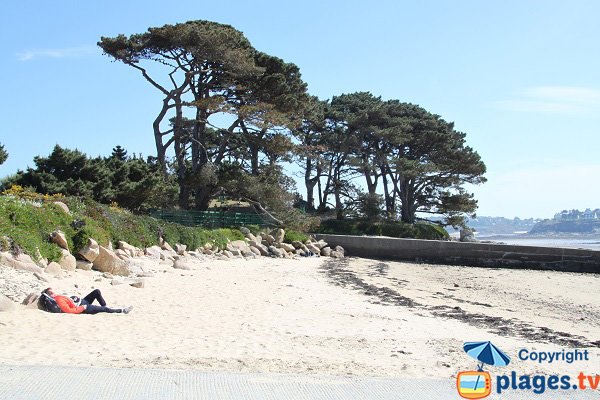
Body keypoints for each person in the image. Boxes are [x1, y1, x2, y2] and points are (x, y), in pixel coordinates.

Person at [42, 288, 133, 315]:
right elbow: (69, 310)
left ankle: (106, 306)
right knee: (104, 309)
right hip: (84, 307)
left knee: (97, 292)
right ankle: (122, 311)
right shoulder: (58, 300)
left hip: (83, 300)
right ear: (49, 295)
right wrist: (82, 308)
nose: (52, 291)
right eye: (50, 292)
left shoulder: (59, 295)